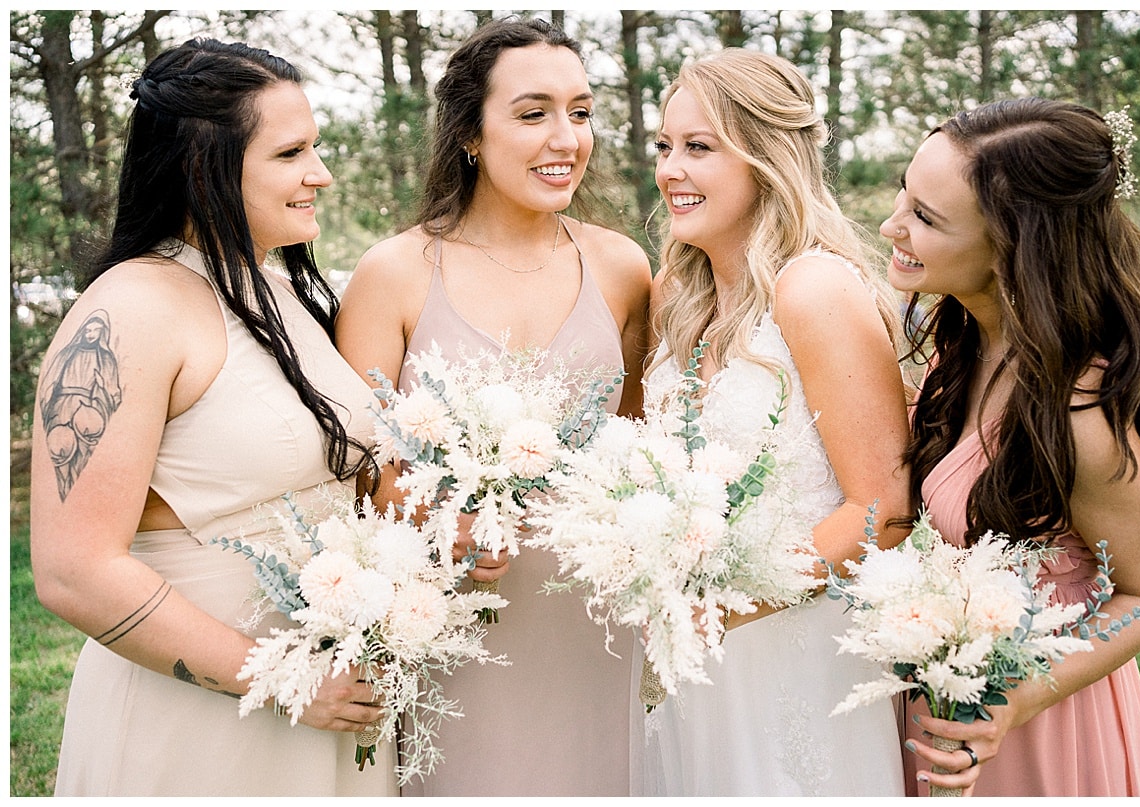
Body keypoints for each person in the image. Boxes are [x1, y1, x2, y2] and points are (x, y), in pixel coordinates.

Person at [29, 38, 399, 796]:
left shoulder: (283, 296)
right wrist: (288, 678)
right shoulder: (131, 308)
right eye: (292, 152)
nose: (320, 175)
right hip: (202, 720)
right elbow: (73, 571)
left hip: (329, 698)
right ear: (206, 165)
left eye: (316, 149)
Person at [334, 17, 652, 797]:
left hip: (594, 621)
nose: (566, 138)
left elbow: (638, 442)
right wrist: (438, 520)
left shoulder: (621, 267)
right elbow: (353, 468)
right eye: (533, 112)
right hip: (455, 620)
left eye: (580, 112)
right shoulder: (395, 273)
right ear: (470, 133)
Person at [881, 97, 1140, 797]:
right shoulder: (960, 345)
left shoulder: (1077, 411)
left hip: (1042, 731)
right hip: (946, 714)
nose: (892, 222)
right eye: (906, 191)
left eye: (926, 218)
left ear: (1012, 246)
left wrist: (1014, 701)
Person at [630, 48, 910, 796]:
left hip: (799, 654)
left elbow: (883, 509)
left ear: (765, 157)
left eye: (698, 148)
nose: (670, 170)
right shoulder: (675, 295)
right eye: (664, 147)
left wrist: (726, 606)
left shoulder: (813, 288)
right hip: (689, 656)